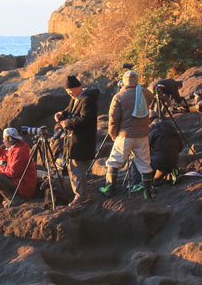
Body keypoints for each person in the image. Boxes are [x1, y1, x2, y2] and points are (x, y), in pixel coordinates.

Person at [100, 70, 155, 199]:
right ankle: (148, 193)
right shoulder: (145, 93)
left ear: (124, 82)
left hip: (125, 135)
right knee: (144, 164)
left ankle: (109, 190)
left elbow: (113, 119)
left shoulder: (119, 96)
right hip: (142, 134)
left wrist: (113, 134)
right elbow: (151, 99)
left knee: (114, 162)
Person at [54, 75, 100, 206]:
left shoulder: (87, 100)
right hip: (76, 140)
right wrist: (61, 114)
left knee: (76, 168)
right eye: (68, 92)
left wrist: (67, 123)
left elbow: (87, 119)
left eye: (71, 91)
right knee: (77, 168)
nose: (70, 95)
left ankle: (81, 196)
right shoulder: (76, 99)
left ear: (78, 87)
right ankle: (82, 193)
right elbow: (69, 111)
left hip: (81, 140)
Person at [0, 127, 37, 200]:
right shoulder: (16, 148)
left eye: (4, 139)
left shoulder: (19, 152)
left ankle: (16, 199)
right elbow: (2, 155)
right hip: (22, 183)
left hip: (24, 187)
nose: (3, 141)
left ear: (10, 139)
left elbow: (12, 172)